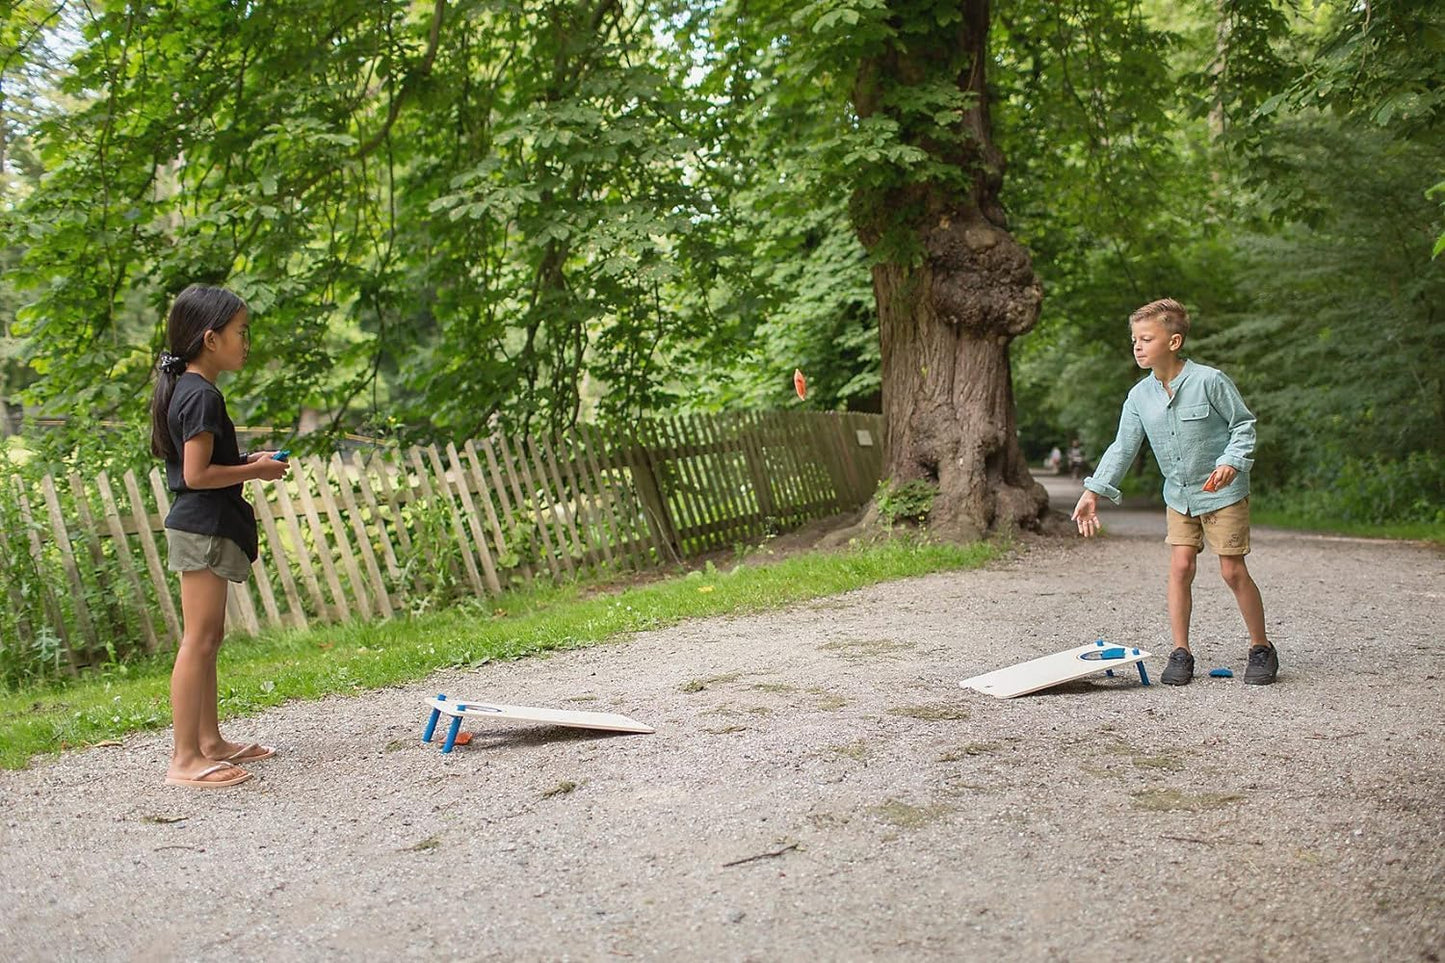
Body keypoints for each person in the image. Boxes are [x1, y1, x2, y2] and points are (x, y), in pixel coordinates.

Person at [1071, 298, 1278, 686]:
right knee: (1180, 566)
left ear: (1174, 341)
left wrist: (1231, 461)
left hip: (1222, 492)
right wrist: (1093, 491)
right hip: (1179, 495)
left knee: (1232, 571)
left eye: (1146, 338)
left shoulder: (1209, 381)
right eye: (1134, 339)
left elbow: (1243, 426)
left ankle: (1261, 647)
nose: (1137, 346)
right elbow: (1122, 447)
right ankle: (1181, 652)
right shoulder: (1139, 397)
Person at [150, 285, 291, 787]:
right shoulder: (201, 394)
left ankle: (209, 741)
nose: (245, 342)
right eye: (240, 332)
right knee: (199, 640)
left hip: (202, 525)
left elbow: (207, 465)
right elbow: (196, 475)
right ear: (210, 339)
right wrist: (257, 474)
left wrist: (248, 461)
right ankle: (184, 760)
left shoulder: (192, 390)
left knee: (209, 638)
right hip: (201, 526)